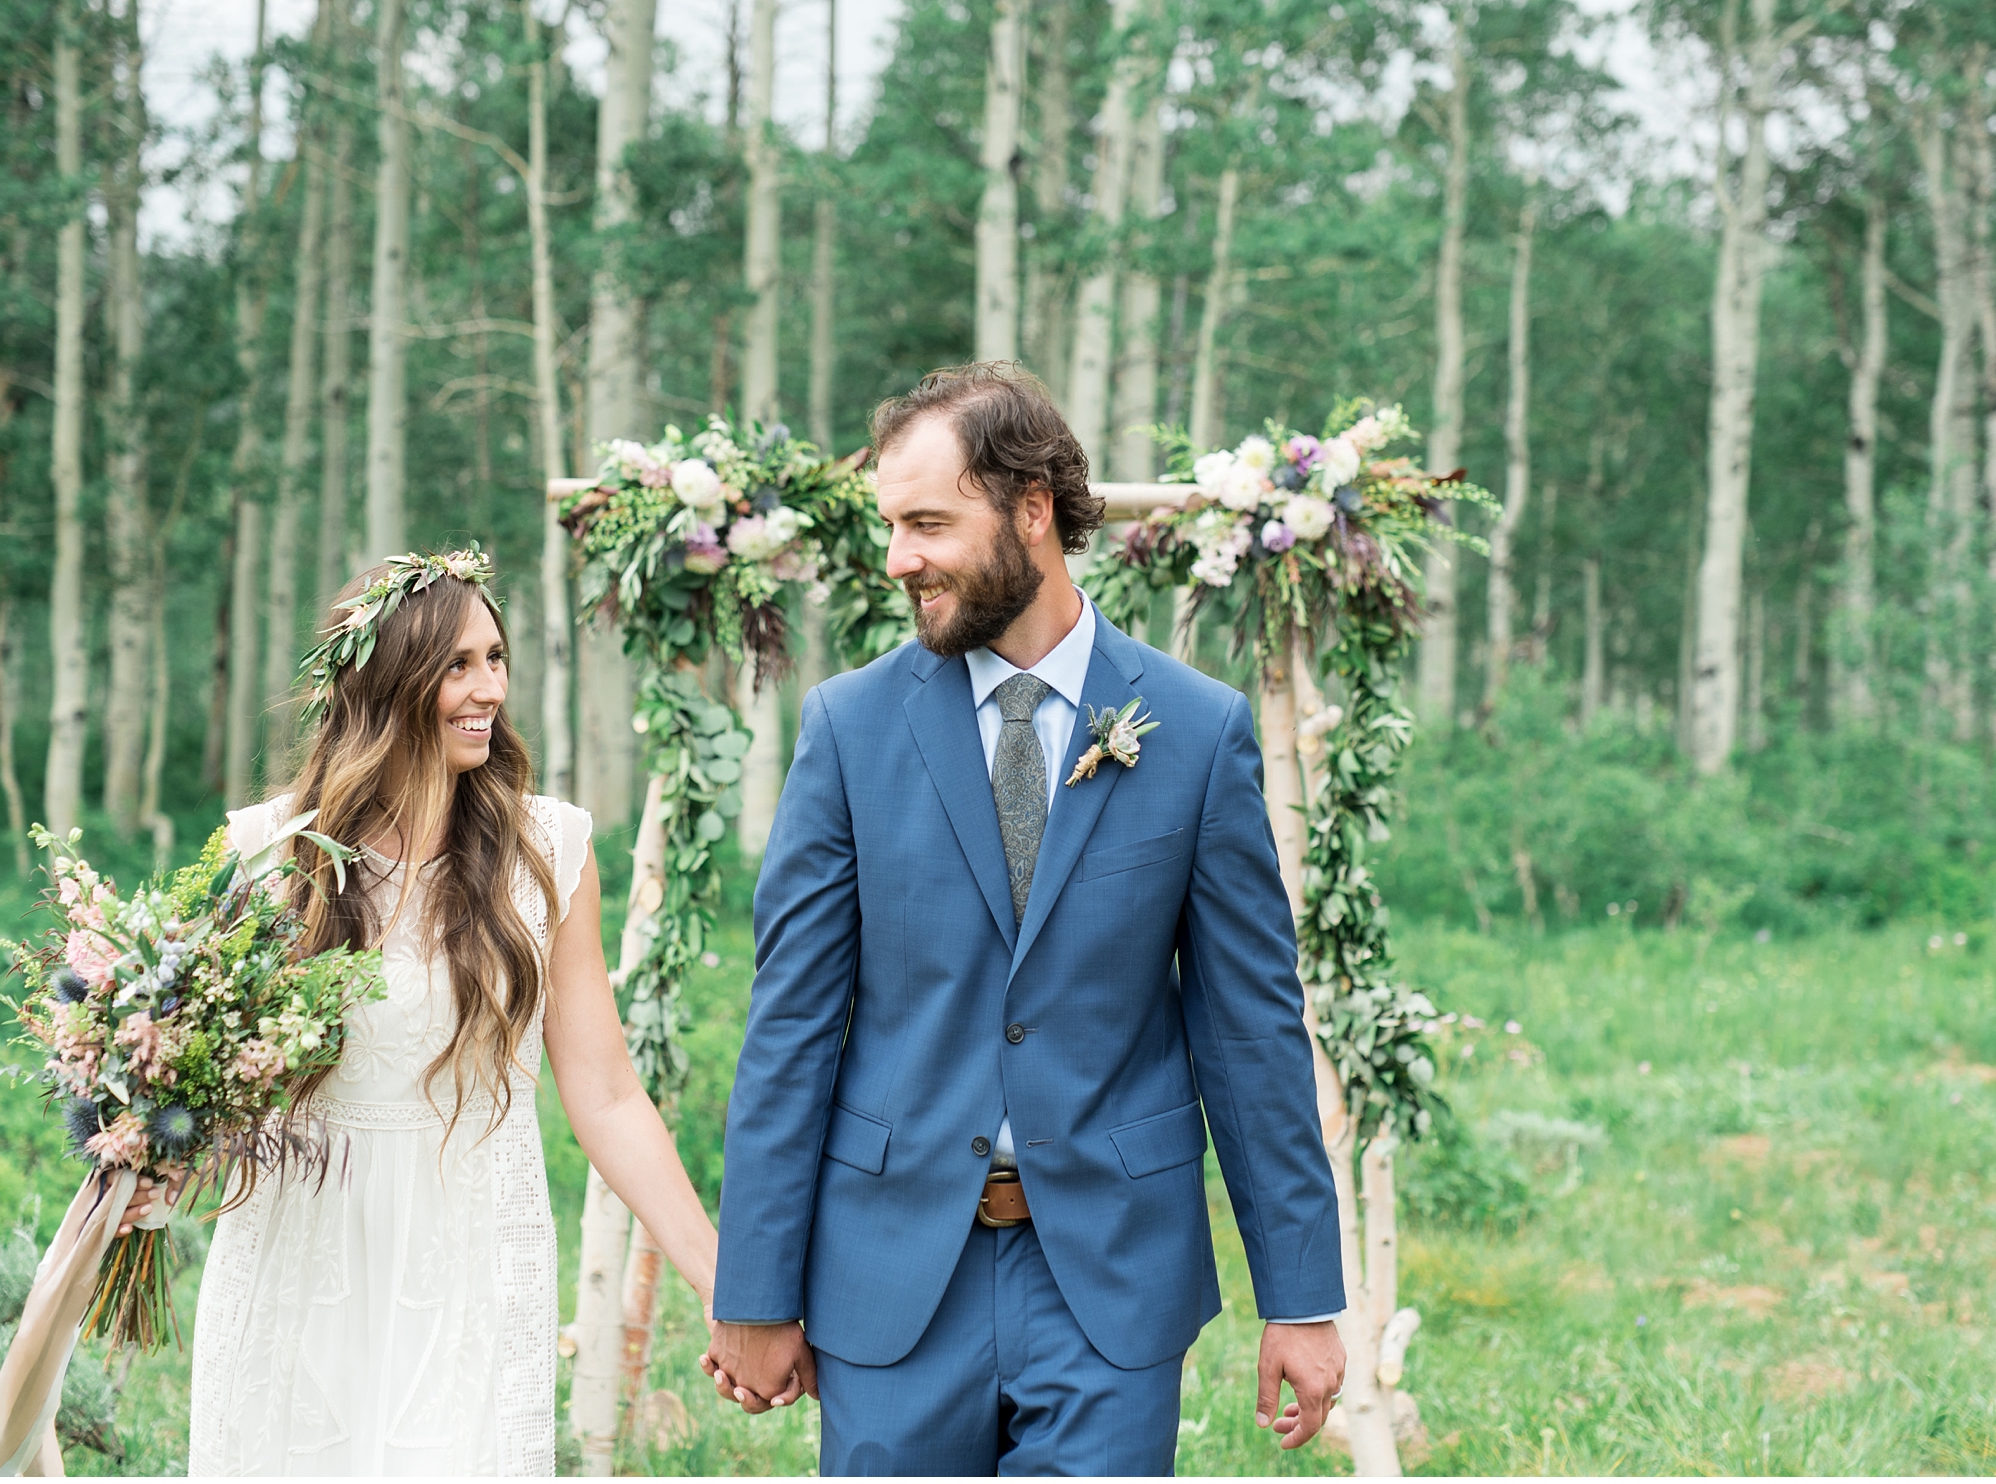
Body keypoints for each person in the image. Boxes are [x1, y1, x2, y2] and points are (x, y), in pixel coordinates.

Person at [702, 366, 1347, 1475]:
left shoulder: (1196, 734)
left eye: (927, 524)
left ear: (1032, 509)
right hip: (891, 1279)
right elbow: (790, 1031)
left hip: (1109, 1282)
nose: (899, 558)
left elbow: (1249, 1034)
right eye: (891, 527)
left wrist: (1300, 1297)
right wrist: (754, 1294)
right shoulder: (848, 731)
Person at [133, 548, 717, 1476]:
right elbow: (207, 1078)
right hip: (304, 1262)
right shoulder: (265, 854)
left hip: (471, 1255)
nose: (490, 686)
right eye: (457, 664)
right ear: (383, 681)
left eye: (496, 656)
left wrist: (724, 1284)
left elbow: (605, 1092)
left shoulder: (550, 849)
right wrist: (154, 1158)